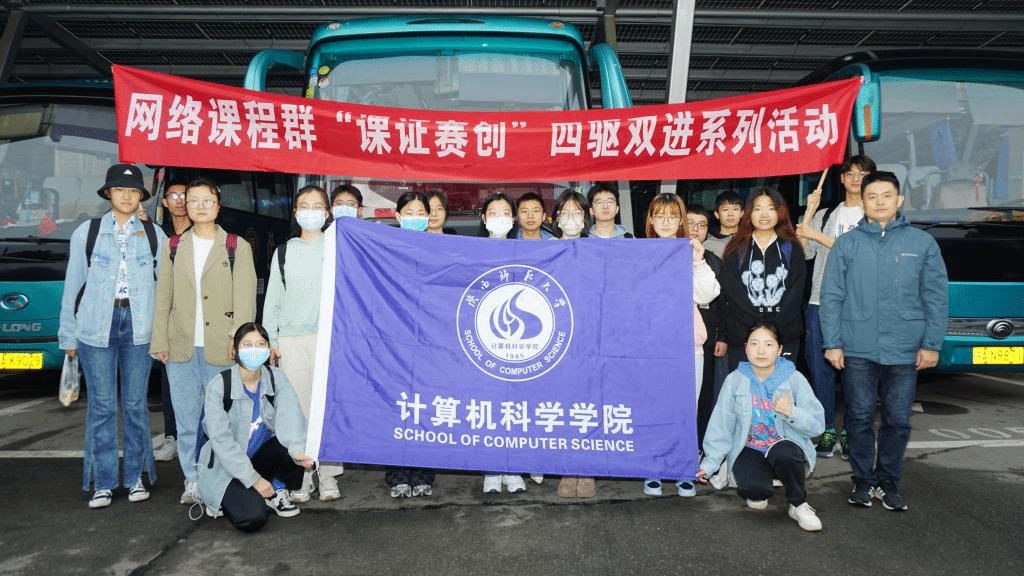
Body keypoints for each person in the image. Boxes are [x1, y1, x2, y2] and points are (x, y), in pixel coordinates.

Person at [820, 171, 948, 512]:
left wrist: (932, 344)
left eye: (886, 195)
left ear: (899, 200)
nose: (879, 202)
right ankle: (863, 480)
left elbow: (935, 297)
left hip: (905, 348)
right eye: (872, 196)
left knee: (898, 419)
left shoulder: (922, 244)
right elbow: (831, 296)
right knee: (860, 417)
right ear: (862, 202)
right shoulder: (847, 244)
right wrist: (832, 342)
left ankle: (888, 481)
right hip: (857, 346)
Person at [59, 163, 166, 509]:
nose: (127, 196)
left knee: (135, 406)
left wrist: (164, 335)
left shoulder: (155, 235)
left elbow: (165, 290)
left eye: (133, 191)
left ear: (141, 197)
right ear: (108, 193)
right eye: (120, 190)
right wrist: (69, 338)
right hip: (95, 327)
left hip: (140, 325)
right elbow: (73, 287)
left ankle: (135, 477)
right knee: (102, 408)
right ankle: (103, 483)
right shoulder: (87, 233)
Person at [150, 177, 258, 506]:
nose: (200, 206)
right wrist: (159, 340)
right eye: (193, 200)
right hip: (180, 346)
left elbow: (245, 302)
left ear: (218, 205)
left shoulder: (236, 246)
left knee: (223, 420)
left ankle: (224, 479)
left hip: (221, 346)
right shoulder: (172, 246)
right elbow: (163, 297)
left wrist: (239, 341)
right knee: (186, 420)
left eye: (207, 201)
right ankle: (193, 479)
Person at [697, 322, 825, 532]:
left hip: (783, 445)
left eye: (768, 344)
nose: (761, 351)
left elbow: (817, 425)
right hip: (749, 447)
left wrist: (792, 412)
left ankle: (798, 504)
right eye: (754, 344)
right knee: (755, 494)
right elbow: (721, 424)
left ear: (780, 349)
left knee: (785, 454)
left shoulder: (793, 378)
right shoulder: (735, 380)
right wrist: (710, 464)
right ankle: (761, 481)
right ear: (746, 348)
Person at [263, 185, 341, 502]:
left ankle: (329, 475)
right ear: (295, 213)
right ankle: (303, 475)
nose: (311, 211)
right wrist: (272, 339)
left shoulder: (337, 247)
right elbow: (273, 299)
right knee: (298, 411)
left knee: (328, 410)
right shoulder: (284, 252)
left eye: (317, 206)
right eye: (304, 206)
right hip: (292, 340)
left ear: (328, 212)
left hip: (330, 338)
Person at [196, 323, 314, 532]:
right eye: (247, 344)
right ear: (235, 350)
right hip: (227, 467)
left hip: (260, 459)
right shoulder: (219, 386)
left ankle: (276, 489)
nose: (254, 350)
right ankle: (221, 494)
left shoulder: (276, 377)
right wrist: (254, 480)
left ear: (269, 349)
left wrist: (299, 452)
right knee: (253, 518)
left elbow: (291, 417)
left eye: (260, 344)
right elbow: (222, 443)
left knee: (291, 446)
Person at [796, 155, 876, 460]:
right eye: (850, 173)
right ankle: (828, 428)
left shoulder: (876, 215)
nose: (856, 178)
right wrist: (809, 212)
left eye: (863, 174)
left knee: (857, 373)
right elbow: (804, 253)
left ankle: (851, 432)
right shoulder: (827, 215)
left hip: (859, 306)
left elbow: (861, 253)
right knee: (820, 371)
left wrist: (816, 234)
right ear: (841, 179)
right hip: (820, 302)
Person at [643, 193, 720, 498]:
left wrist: (698, 259)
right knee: (653, 408)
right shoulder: (639, 252)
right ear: (651, 220)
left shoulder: (689, 252)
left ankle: (683, 467)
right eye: (659, 216)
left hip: (688, 346)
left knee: (686, 409)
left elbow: (707, 294)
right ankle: (653, 467)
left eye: (672, 216)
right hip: (650, 349)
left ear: (680, 222)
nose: (665, 222)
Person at [718, 188, 806, 373]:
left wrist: (773, 328)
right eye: (757, 209)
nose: (764, 215)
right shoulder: (736, 250)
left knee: (780, 387)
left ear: (780, 212)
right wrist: (757, 327)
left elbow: (796, 293)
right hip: (744, 336)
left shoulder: (792, 249)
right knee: (745, 388)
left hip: (784, 336)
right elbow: (733, 294)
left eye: (771, 208)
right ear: (749, 213)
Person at [384, 191, 437, 497]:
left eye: (421, 212)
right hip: (395, 339)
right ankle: (397, 475)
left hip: (430, 339)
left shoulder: (440, 247)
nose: (415, 217)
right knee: (396, 406)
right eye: (409, 212)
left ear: (429, 217)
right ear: (398, 216)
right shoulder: (385, 246)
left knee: (426, 407)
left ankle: (423, 474)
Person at [477, 192, 526, 494]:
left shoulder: (527, 251)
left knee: (516, 405)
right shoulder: (472, 251)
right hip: (484, 339)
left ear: (513, 218)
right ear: (483, 219)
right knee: (489, 406)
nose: (499, 218)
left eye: (505, 212)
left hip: (519, 344)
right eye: (493, 213)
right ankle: (492, 470)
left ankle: (514, 467)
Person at [548, 190, 594, 497]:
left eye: (577, 212)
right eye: (565, 212)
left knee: (588, 403)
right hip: (555, 339)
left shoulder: (598, 250)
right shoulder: (545, 250)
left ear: (586, 217)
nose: (571, 218)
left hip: (589, 337)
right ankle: (567, 466)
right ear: (555, 218)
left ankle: (587, 467)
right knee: (561, 404)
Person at [153, 181, 193, 462]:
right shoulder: (158, 236)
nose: (179, 200)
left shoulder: (204, 235)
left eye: (184, 195)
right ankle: (172, 437)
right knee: (170, 383)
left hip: (200, 321)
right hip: (169, 320)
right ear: (165, 202)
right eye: (173, 195)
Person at [686, 204, 725, 448]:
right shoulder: (665, 254)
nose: (696, 229)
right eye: (691, 223)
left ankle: (698, 445)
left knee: (702, 396)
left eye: (701, 225)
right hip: (671, 338)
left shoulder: (711, 260)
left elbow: (722, 301)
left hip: (705, 339)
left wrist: (722, 336)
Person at [703, 191, 744, 258]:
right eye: (725, 209)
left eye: (735, 209)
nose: (730, 214)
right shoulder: (707, 244)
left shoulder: (748, 240)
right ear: (717, 214)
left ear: (742, 213)